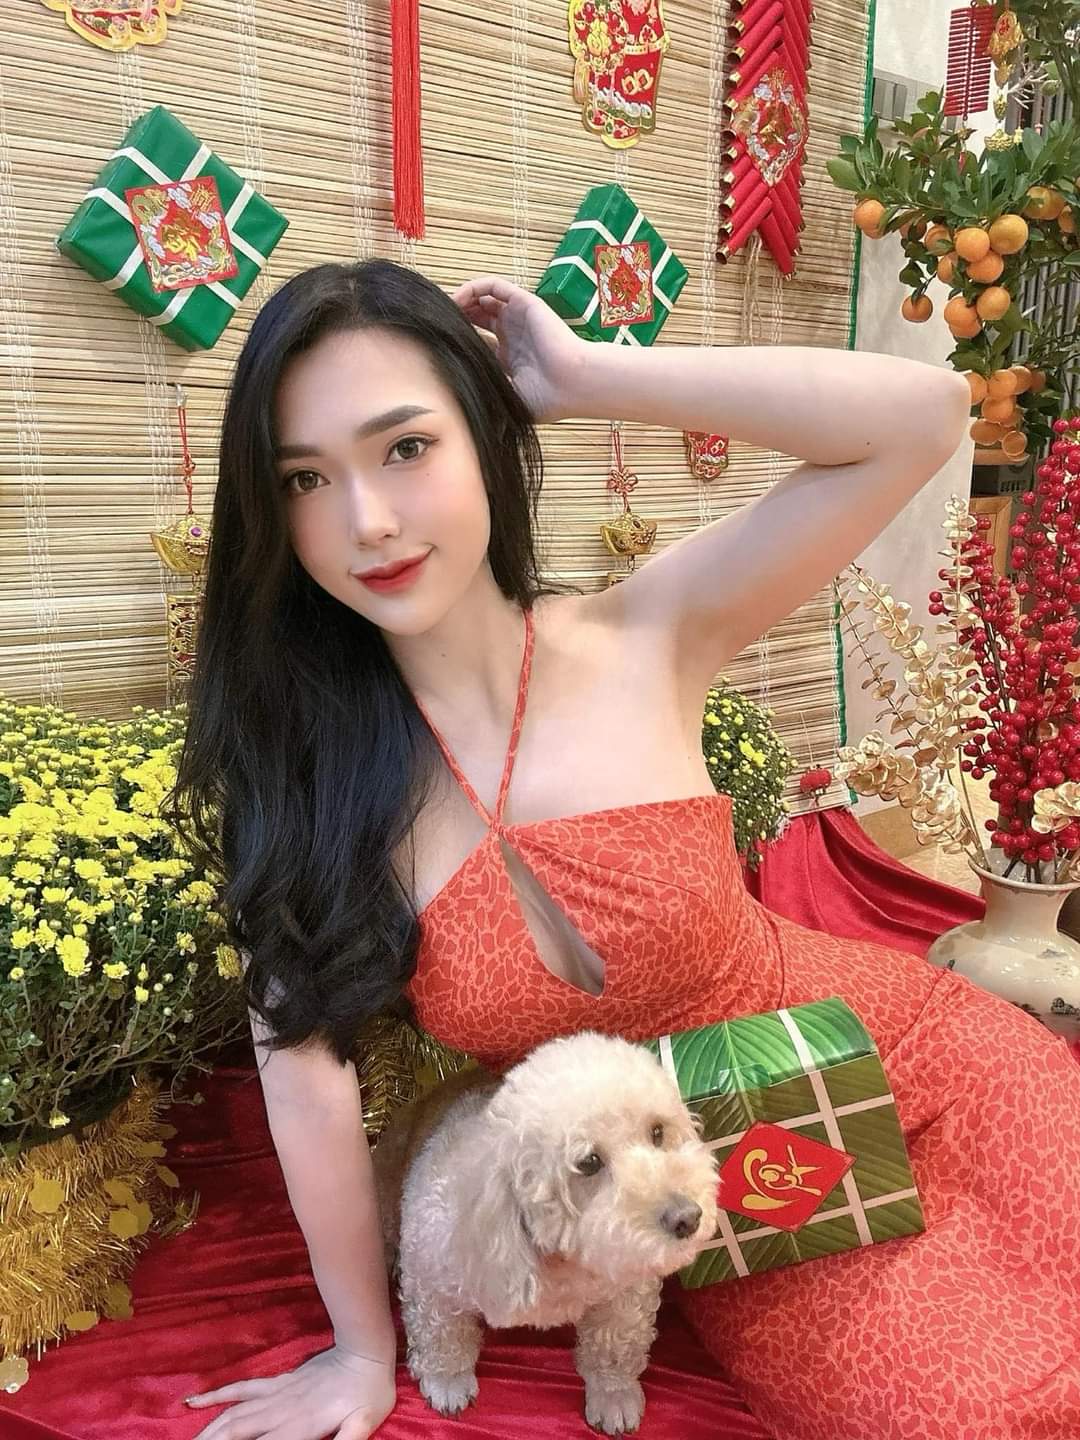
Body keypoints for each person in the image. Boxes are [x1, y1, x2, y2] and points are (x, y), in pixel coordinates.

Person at [171, 259, 1080, 1440]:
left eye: (406, 447)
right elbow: (306, 1089)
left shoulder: (648, 630)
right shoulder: (310, 786)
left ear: (485, 435)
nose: (369, 521)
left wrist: (590, 378)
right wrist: (363, 1351)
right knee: (966, 1413)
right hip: (743, 1185)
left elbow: (923, 416)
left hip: (920, 1058)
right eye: (305, 478)